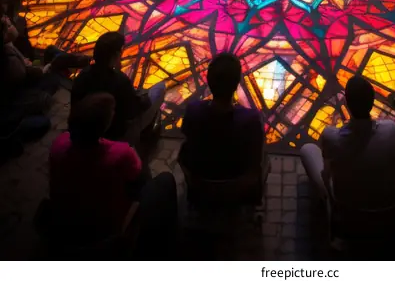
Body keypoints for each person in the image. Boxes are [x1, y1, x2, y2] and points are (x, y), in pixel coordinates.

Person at [48, 92, 177, 255]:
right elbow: (137, 175)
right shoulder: (120, 153)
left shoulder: (59, 143)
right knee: (162, 180)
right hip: (106, 229)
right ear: (105, 125)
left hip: (65, 221)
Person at [300, 75, 395, 208]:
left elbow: (325, 175)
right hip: (384, 206)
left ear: (346, 103)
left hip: (346, 210)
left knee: (308, 149)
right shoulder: (390, 129)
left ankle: (325, 202)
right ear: (372, 102)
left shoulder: (332, 136)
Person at [179, 53, 265, 203]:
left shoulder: (193, 111)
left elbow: (186, 146)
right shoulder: (251, 120)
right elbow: (254, 162)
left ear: (208, 80)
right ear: (237, 83)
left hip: (201, 188)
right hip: (238, 192)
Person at [71, 32, 165, 145]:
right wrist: (144, 100)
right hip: (115, 134)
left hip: (85, 130)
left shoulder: (83, 75)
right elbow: (133, 111)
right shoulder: (120, 81)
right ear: (116, 54)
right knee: (159, 89)